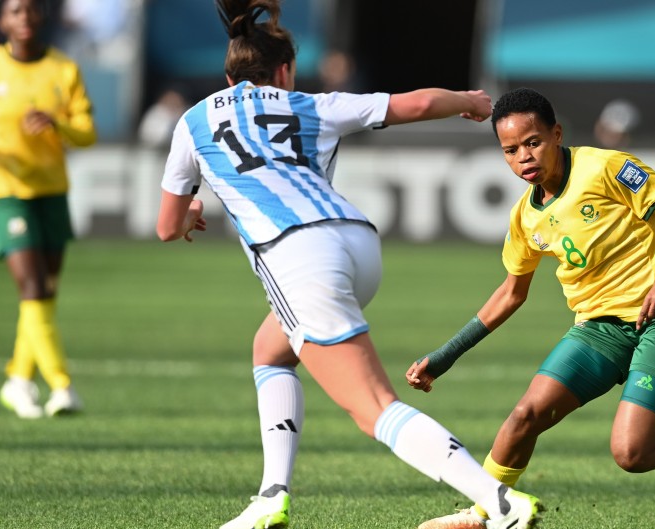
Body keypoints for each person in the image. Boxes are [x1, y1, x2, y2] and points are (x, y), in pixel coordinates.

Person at [154, 2, 543, 529]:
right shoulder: (311, 104)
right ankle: (271, 495)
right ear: (286, 71)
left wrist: (192, 212)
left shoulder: (194, 120)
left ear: (228, 77)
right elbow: (418, 102)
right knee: (270, 350)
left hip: (296, 255)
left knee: (374, 408)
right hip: (356, 243)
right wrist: (470, 101)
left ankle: (499, 504)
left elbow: (166, 226)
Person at [405, 87, 655, 529]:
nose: (524, 157)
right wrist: (445, 356)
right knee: (523, 416)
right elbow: (512, 293)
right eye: (510, 150)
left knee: (632, 454)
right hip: (599, 328)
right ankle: (484, 513)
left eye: (533, 142)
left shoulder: (605, 167)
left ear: (556, 134)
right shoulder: (525, 217)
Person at [0, 0, 96, 419]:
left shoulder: (63, 69)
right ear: (2, 21)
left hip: (51, 191)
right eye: (15, 11)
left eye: (31, 10)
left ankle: (17, 379)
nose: (25, 18)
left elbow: (87, 133)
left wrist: (57, 123)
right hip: (3, 189)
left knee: (43, 293)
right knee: (32, 288)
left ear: (42, 17)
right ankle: (62, 385)